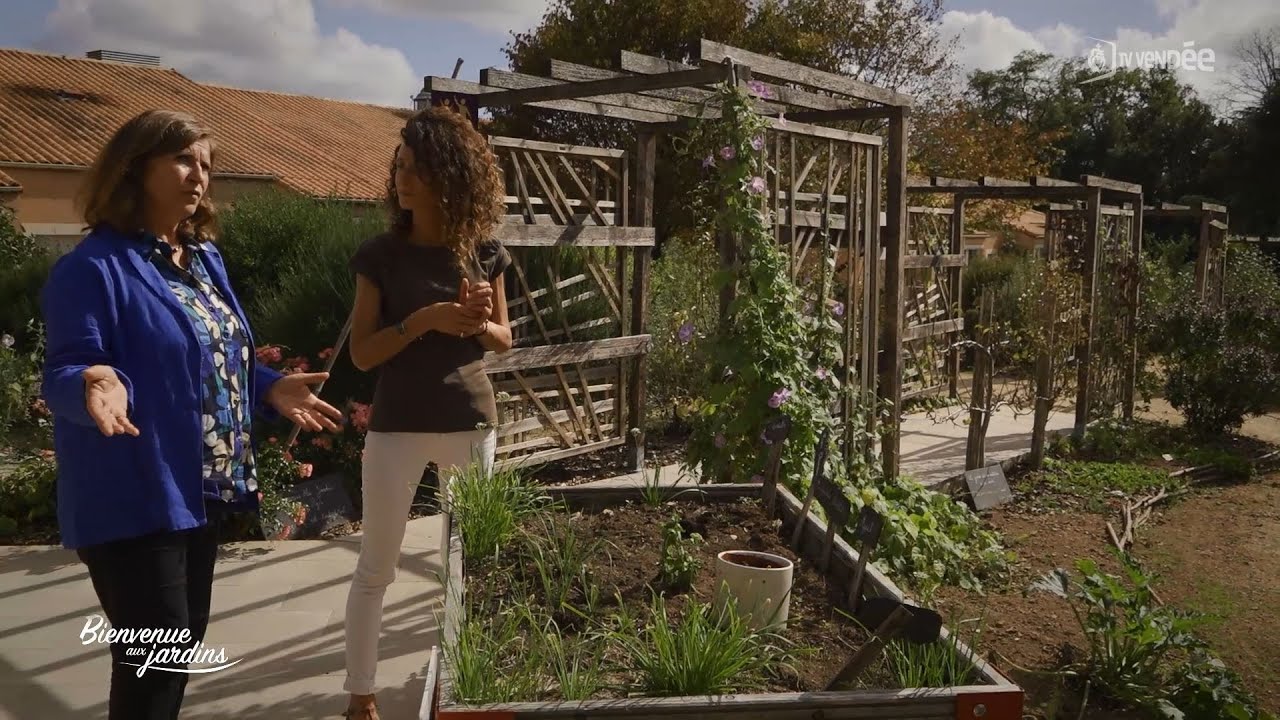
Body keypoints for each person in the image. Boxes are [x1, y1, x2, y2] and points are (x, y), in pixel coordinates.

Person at [40, 109, 344, 720]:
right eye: (182, 159)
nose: (198, 175)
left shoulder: (203, 261)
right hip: (132, 489)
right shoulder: (92, 269)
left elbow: (207, 356)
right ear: (135, 166)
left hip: (195, 490)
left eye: (206, 163)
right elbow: (70, 367)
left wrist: (268, 387)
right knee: (156, 660)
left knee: (177, 649)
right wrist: (96, 384)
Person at [342, 106, 513, 719]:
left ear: (452, 174)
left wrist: (476, 319)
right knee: (376, 568)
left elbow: (503, 340)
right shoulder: (381, 255)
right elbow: (363, 354)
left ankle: (467, 689)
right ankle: (361, 695)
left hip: (471, 423)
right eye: (400, 168)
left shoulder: (485, 252)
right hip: (397, 427)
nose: (402, 180)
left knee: (470, 565)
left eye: (415, 169)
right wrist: (425, 321)